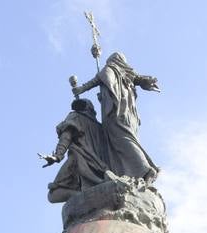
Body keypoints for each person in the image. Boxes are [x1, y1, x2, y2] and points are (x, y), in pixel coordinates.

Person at [72, 51, 159, 181]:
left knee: (122, 140)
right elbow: (138, 79)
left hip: (115, 113)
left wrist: (79, 89)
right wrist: (103, 97)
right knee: (125, 140)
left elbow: (94, 82)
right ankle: (129, 173)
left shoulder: (109, 69)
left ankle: (146, 169)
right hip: (128, 115)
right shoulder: (127, 77)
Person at [41, 99, 109, 203]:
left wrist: (58, 156)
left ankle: (86, 196)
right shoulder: (101, 127)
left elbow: (66, 137)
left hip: (79, 159)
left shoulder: (75, 116)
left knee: (53, 194)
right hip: (102, 168)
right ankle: (91, 195)